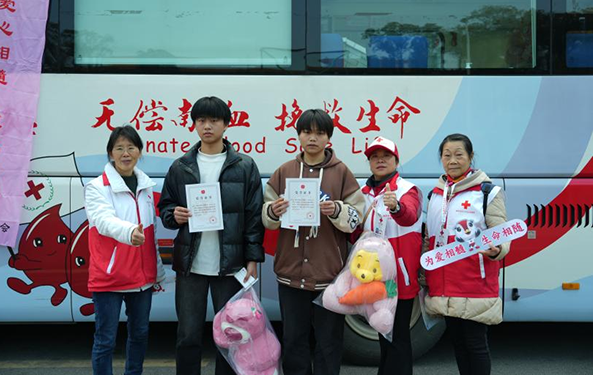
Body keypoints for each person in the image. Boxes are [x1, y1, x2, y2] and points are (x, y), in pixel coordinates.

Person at [157, 96, 265, 375]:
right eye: (201, 120)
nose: (207, 126)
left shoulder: (244, 166)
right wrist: (174, 215)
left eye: (214, 120)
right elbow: (165, 207)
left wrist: (252, 258)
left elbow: (253, 216)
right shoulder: (181, 166)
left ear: (226, 124)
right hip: (191, 265)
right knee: (188, 335)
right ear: (194, 125)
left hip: (230, 265)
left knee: (230, 335)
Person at [262, 109, 365, 375]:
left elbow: (356, 217)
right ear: (298, 135)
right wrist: (274, 210)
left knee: (329, 342)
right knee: (293, 340)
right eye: (307, 132)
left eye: (320, 133)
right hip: (290, 273)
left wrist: (337, 210)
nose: (312, 138)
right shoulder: (284, 172)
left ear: (328, 138)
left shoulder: (342, 173)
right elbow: (266, 217)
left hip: (329, 275)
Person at [424, 133, 509, 375]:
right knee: (459, 344)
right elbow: (429, 239)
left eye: (459, 154)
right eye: (447, 155)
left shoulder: (487, 192)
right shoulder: (435, 195)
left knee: (475, 344)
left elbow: (501, 233)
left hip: (474, 281)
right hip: (443, 282)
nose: (453, 160)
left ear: (471, 157)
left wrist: (497, 250)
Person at [84, 125, 166, 375]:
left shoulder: (146, 186)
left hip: (142, 278)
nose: (126, 153)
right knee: (105, 340)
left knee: (140, 334)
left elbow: (151, 235)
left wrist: (157, 271)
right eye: (119, 148)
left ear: (140, 151)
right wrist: (129, 232)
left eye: (131, 147)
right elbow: (103, 220)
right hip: (109, 276)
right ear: (111, 153)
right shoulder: (97, 187)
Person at [353, 136, 422, 375]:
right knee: (383, 332)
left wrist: (396, 207)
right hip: (373, 276)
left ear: (396, 161)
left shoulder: (407, 189)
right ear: (369, 162)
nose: (380, 160)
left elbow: (410, 216)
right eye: (375, 157)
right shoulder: (362, 193)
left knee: (398, 335)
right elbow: (355, 232)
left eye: (386, 156)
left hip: (397, 279)